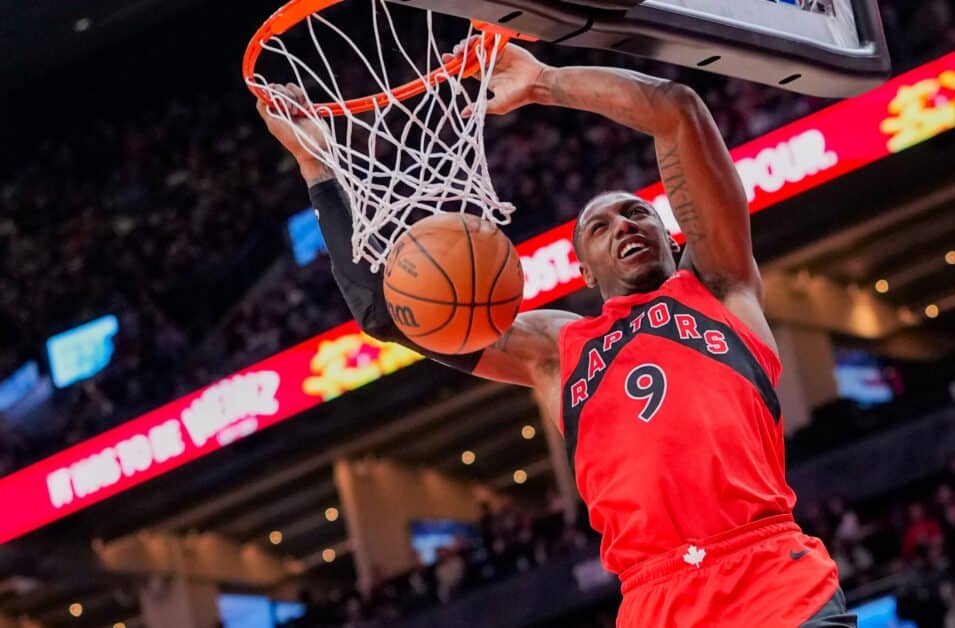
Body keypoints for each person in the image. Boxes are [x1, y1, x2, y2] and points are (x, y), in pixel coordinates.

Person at [256, 42, 853, 627]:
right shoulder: (556, 351)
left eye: (637, 213)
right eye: (600, 226)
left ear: (672, 238)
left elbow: (679, 111)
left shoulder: (719, 287)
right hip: (656, 600)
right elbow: (387, 315)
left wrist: (545, 83)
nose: (624, 225)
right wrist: (317, 167)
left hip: (773, 580)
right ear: (585, 272)